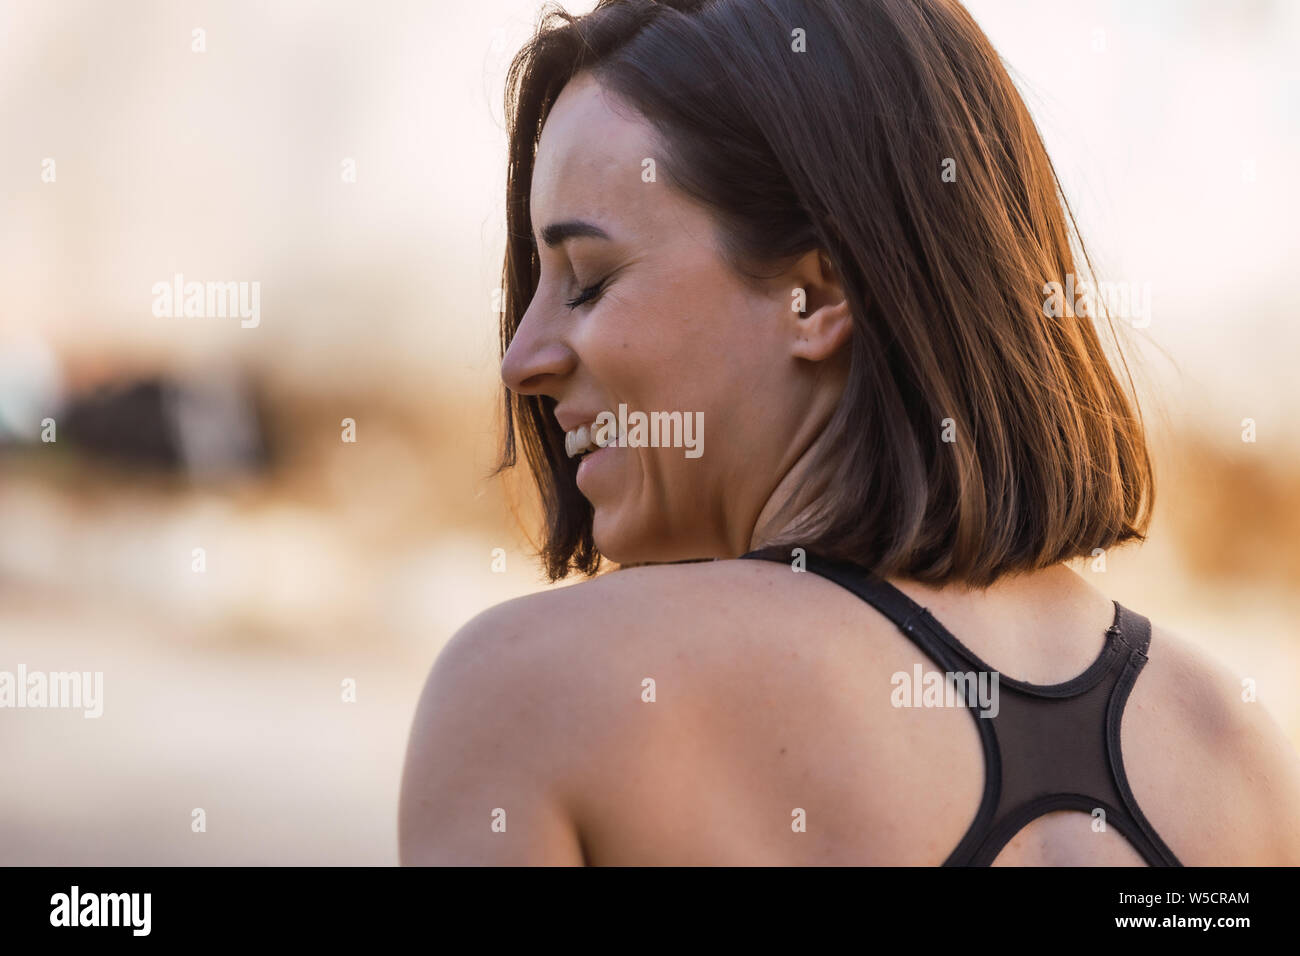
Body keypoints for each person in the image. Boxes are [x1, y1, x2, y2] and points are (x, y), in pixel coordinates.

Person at [399, 0, 1300, 865]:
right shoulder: (1237, 754)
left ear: (819, 296)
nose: (522, 358)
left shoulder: (539, 694)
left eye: (588, 279)